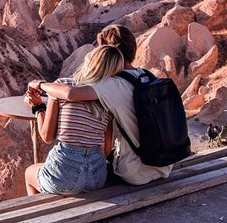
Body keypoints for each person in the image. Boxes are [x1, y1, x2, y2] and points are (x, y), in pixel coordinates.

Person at [28, 24, 173, 185]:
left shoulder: (111, 84)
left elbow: (71, 94)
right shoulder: (146, 76)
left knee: (39, 174)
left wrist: (40, 86)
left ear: (106, 54)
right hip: (163, 165)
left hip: (136, 171)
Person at [23, 46, 121, 195]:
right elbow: (107, 150)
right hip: (96, 178)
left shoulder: (61, 87)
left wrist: (38, 108)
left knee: (30, 172)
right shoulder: (109, 97)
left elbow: (47, 137)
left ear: (90, 61)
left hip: (63, 176)